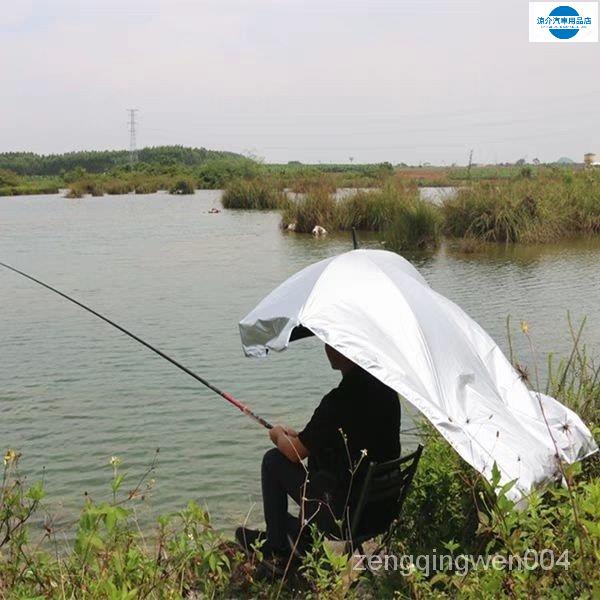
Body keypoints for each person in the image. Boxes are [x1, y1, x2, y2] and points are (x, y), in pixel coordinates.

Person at [235, 344, 401, 563]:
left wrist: (277, 435)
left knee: (273, 460)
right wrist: (297, 437)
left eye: (333, 343)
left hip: (347, 518)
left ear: (347, 350)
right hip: (381, 512)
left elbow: (295, 454)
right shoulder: (387, 392)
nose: (327, 348)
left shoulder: (338, 401)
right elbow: (324, 439)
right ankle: (299, 538)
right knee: (315, 474)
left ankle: (277, 549)